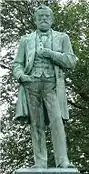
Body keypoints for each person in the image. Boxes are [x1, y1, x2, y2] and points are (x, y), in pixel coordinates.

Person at [13, 4, 76, 168]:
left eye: (47, 17)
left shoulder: (62, 37)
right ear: (35, 20)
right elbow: (17, 64)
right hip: (31, 85)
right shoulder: (26, 40)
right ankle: (40, 163)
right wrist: (21, 76)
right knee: (36, 125)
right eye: (40, 17)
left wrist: (51, 54)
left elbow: (71, 61)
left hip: (52, 85)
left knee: (57, 122)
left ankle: (63, 161)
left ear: (52, 19)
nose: (43, 19)